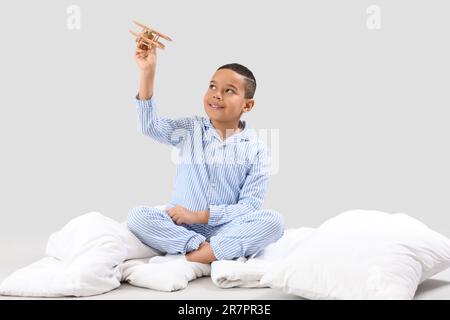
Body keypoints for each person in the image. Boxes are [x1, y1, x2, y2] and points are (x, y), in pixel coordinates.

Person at [127, 42, 284, 289]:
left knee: (274, 221)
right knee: (137, 216)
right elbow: (150, 126)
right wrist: (147, 72)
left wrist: (202, 215)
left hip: (225, 228)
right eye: (212, 86)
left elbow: (249, 206)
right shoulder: (191, 129)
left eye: (229, 90)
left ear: (248, 105)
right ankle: (204, 251)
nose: (216, 94)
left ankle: (192, 258)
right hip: (180, 224)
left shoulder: (256, 149)